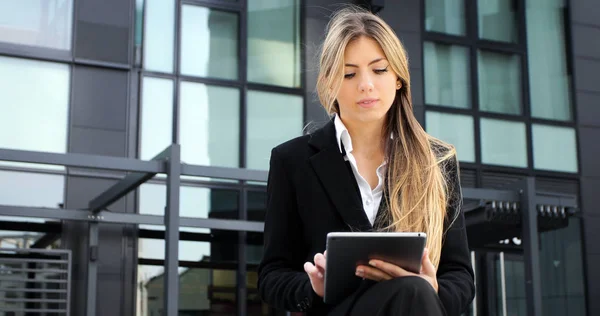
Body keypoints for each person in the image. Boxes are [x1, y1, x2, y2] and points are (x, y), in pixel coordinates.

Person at [257, 6, 475, 316]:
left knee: (413, 291)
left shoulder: (436, 162)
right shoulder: (291, 161)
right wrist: (312, 286)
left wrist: (434, 286)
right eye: (349, 73)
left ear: (398, 77)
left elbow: (460, 274)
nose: (366, 84)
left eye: (379, 69)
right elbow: (272, 275)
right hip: (337, 310)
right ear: (330, 83)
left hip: (415, 306)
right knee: (413, 293)